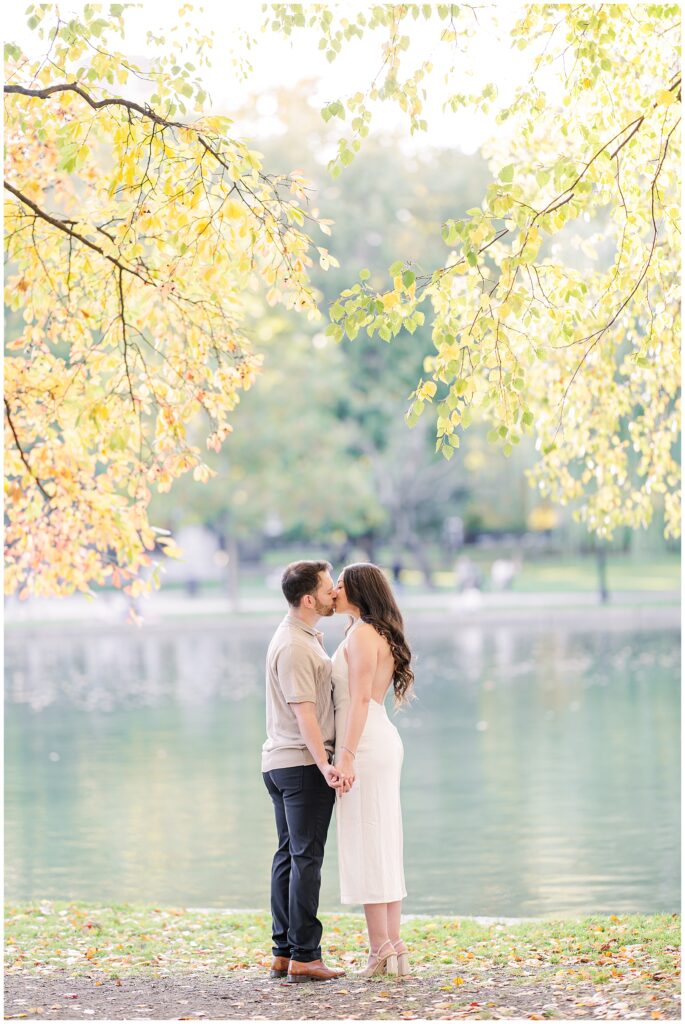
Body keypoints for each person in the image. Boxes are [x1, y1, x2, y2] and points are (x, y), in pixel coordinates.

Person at [261, 560, 346, 984]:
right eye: (330, 588)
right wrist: (326, 764)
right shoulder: (295, 645)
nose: (336, 593)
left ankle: (284, 951)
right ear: (309, 598)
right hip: (299, 765)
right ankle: (305, 955)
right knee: (305, 859)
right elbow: (305, 714)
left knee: (289, 857)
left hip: (283, 763)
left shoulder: (302, 637)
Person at [331, 562, 414, 978]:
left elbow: (360, 699)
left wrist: (345, 755)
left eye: (341, 585)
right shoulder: (367, 631)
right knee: (380, 838)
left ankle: (380, 947)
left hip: (365, 741)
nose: (333, 590)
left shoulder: (363, 634)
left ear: (358, 591)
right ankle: (391, 945)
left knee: (369, 840)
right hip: (372, 738)